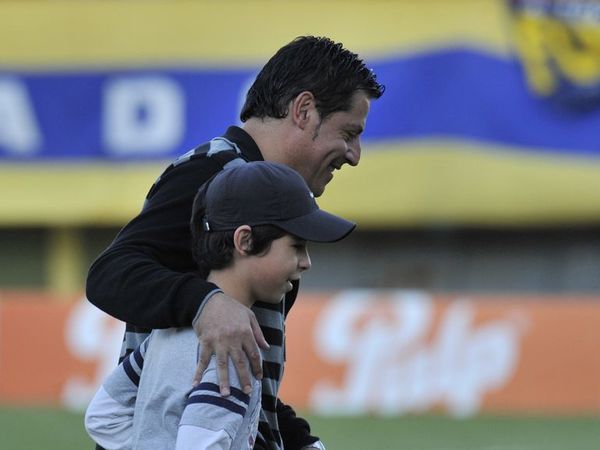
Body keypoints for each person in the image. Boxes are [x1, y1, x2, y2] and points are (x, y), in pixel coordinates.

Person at [86, 35, 384, 449]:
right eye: (348, 133)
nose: (354, 155)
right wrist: (205, 303)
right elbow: (110, 274)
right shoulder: (211, 172)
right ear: (303, 110)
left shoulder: (277, 206)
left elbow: (244, 386)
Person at [85, 161, 356, 449]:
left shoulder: (163, 334)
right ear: (245, 240)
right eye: (296, 246)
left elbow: (103, 417)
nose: (306, 262)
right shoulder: (231, 348)